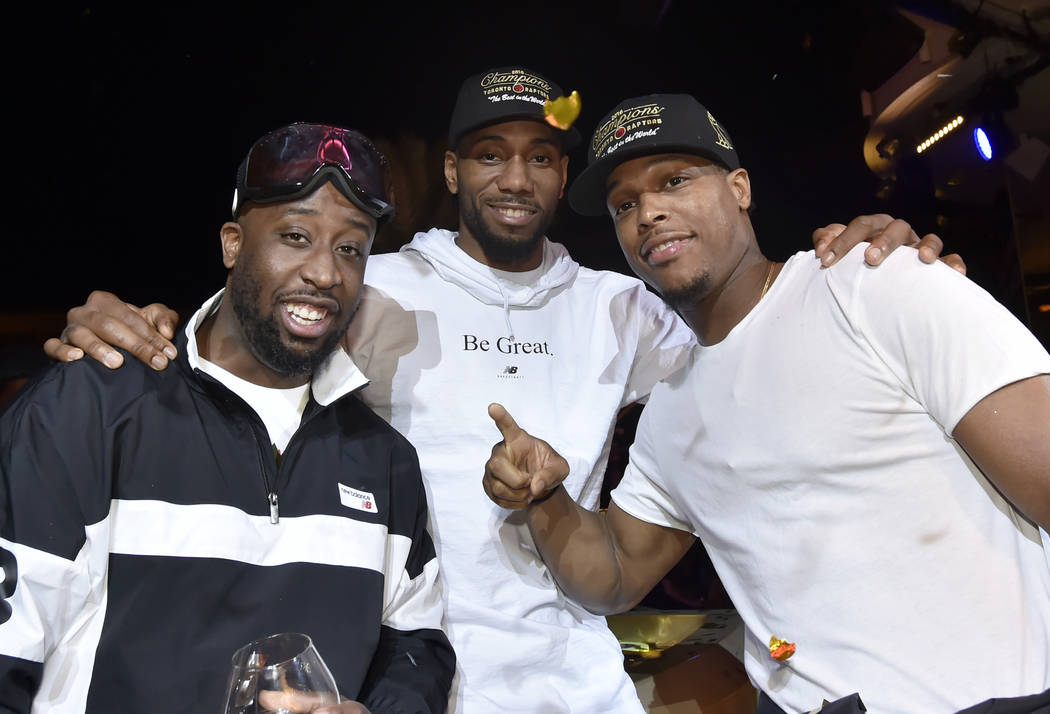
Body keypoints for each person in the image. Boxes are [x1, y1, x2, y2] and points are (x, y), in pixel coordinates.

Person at [41, 68, 954, 713]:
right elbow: (254, 327)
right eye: (487, 153)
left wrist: (857, 255)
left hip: (579, 681)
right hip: (405, 673)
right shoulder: (376, 282)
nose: (514, 177)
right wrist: (137, 323)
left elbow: (752, 335)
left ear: (564, 176)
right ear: (451, 172)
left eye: (540, 157)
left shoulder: (625, 307)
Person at [482, 94, 1050, 713]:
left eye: (674, 181)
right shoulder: (671, 410)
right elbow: (614, 572)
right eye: (625, 204)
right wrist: (542, 496)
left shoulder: (874, 284)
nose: (649, 213)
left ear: (741, 188)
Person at [0, 123, 455, 713]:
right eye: (296, 236)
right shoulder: (92, 406)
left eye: (351, 248)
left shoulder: (383, 458)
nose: (325, 272)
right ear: (233, 244)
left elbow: (415, 647)